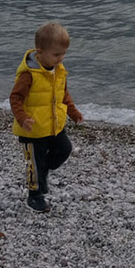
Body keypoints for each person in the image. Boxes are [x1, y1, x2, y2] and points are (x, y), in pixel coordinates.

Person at [10, 21, 84, 213]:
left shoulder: (59, 70)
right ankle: (34, 196)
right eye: (57, 54)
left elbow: (63, 94)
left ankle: (42, 173)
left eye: (64, 54)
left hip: (53, 125)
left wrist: (73, 112)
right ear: (40, 51)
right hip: (32, 130)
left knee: (65, 149)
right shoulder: (29, 74)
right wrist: (22, 118)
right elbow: (15, 97)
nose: (61, 58)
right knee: (35, 163)